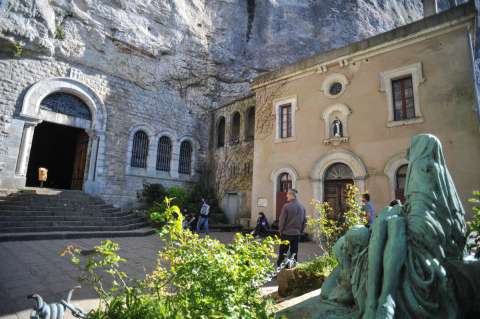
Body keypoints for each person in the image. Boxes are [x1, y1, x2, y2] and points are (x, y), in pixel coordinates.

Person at [276, 189, 306, 267]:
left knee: (283, 252)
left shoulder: (286, 206)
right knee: (294, 252)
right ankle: (292, 268)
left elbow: (282, 221)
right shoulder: (302, 207)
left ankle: (280, 269)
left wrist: (280, 230)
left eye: (288, 194)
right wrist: (300, 231)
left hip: (286, 233)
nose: (286, 196)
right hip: (296, 234)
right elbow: (304, 221)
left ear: (292, 195)